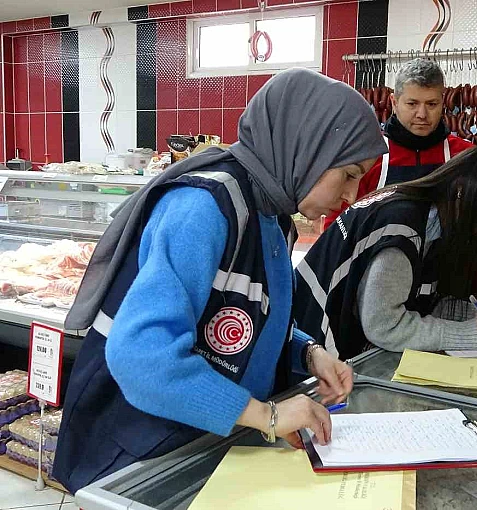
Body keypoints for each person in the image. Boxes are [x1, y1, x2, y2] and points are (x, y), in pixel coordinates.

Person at [52, 69, 388, 493]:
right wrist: (269, 416)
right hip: (136, 456)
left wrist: (308, 353)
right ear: (309, 149)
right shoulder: (204, 208)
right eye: (350, 174)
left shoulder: (273, 216)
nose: (352, 196)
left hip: (198, 444)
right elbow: (143, 358)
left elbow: (244, 317)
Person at [294, 145, 477, 361]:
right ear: (464, 189)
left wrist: (475, 314)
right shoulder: (403, 227)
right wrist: (472, 334)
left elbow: (420, 302)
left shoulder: (429, 224)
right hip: (308, 351)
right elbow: (385, 325)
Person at [323, 58, 477, 299]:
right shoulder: (369, 157)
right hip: (373, 294)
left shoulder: (466, 158)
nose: (422, 114)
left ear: (443, 103)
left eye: (432, 104)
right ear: (394, 102)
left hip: (448, 296)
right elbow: (337, 230)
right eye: (412, 103)